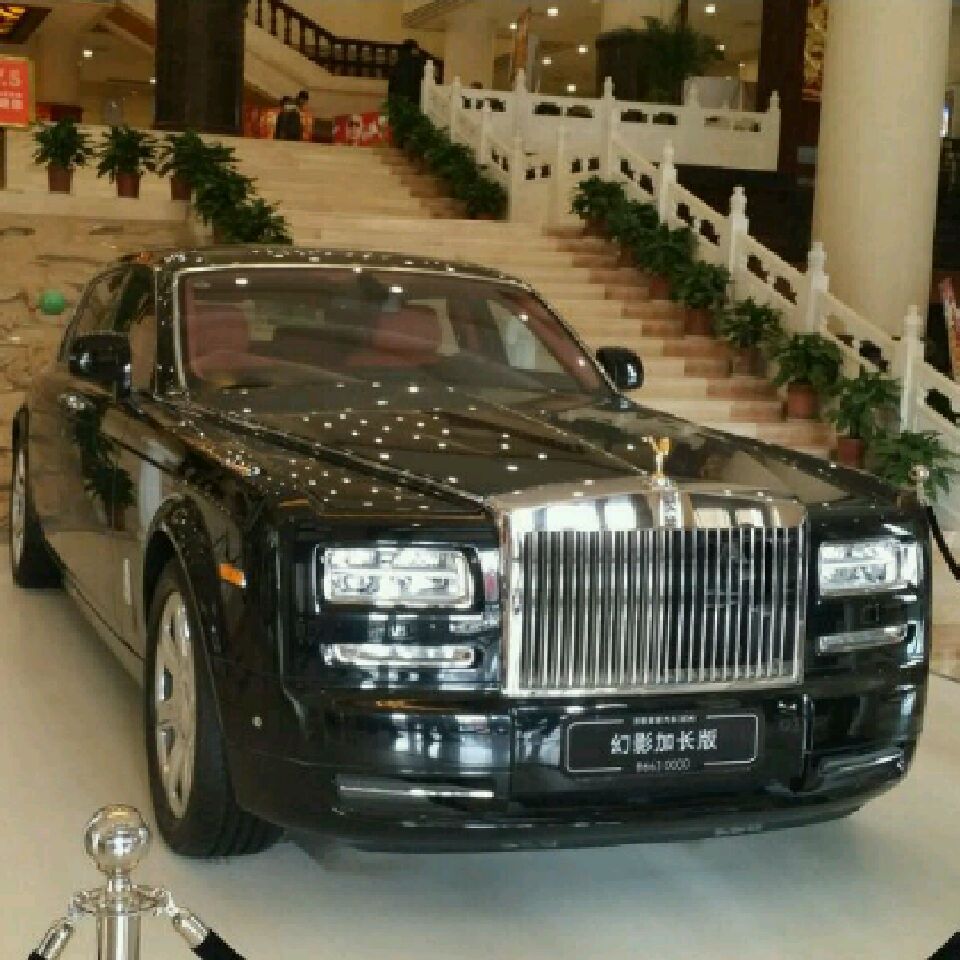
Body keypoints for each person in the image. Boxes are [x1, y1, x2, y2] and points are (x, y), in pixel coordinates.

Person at [388, 38, 426, 104]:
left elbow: (392, 83)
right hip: (413, 97)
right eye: (416, 48)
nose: (418, 51)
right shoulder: (418, 62)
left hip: (399, 97)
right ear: (413, 49)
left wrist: (391, 99)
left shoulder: (399, 62)